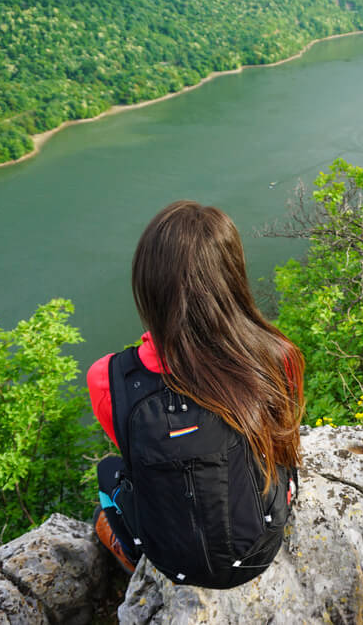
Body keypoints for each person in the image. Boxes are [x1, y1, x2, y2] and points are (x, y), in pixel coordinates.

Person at [88, 201, 305, 587]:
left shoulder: (108, 378)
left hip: (172, 562)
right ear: (232, 277)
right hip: (261, 547)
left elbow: (137, 458)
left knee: (109, 473)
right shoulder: (276, 356)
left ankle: (129, 551)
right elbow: (281, 441)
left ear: (148, 285)